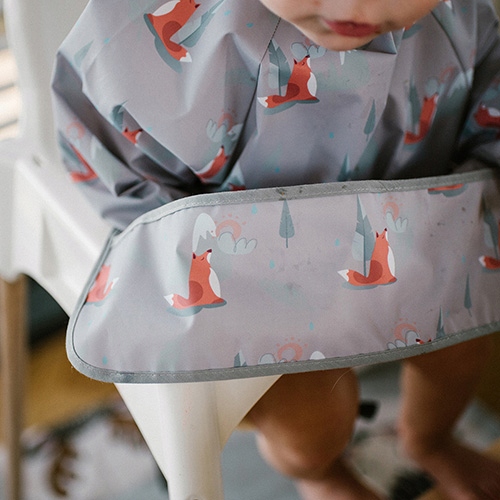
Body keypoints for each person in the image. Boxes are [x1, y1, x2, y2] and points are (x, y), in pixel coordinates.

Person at [52, 0, 500, 498]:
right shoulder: (143, 35)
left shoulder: (462, 20)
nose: (356, 6)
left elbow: (487, 124)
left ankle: (430, 439)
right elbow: (114, 154)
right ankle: (319, 473)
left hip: (413, 228)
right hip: (245, 275)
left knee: (463, 350)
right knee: (310, 421)